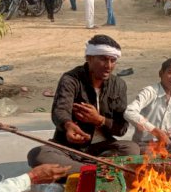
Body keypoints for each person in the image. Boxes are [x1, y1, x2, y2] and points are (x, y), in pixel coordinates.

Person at [27, 35, 140, 173]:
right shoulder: (71, 79)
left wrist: (99, 120)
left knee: (132, 149)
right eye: (103, 59)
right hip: (68, 148)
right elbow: (60, 111)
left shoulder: (119, 85)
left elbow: (121, 129)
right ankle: (96, 171)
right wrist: (69, 126)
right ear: (89, 58)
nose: (109, 66)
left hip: (103, 149)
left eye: (113, 60)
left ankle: (82, 171)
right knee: (37, 155)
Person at [124, 58, 171, 154]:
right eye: (170, 73)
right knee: (153, 154)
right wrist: (156, 131)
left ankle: (170, 154)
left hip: (166, 144)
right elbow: (129, 112)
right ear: (161, 73)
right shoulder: (150, 92)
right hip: (145, 144)